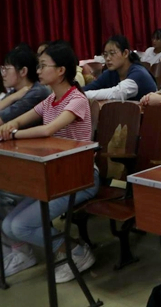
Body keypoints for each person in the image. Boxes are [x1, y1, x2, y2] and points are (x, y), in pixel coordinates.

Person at [0, 41, 100, 282]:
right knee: (9, 225)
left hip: (81, 177)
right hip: (55, 174)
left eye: (43, 65)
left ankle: (76, 251)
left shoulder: (76, 99)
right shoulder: (50, 100)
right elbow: (21, 120)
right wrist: (10, 125)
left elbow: (48, 130)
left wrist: (13, 133)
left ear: (61, 70)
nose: (39, 70)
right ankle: (66, 249)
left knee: (20, 226)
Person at [84, 36, 157, 101]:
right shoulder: (110, 73)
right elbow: (89, 87)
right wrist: (78, 93)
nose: (108, 58)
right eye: (105, 54)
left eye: (112, 53)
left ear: (125, 53)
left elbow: (117, 93)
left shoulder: (139, 73)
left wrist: (82, 96)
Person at [1, 45, 50, 124]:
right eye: (3, 69)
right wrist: (12, 97)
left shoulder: (37, 93)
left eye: (7, 69)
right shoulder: (16, 92)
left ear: (23, 71)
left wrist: (12, 97)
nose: (3, 74)